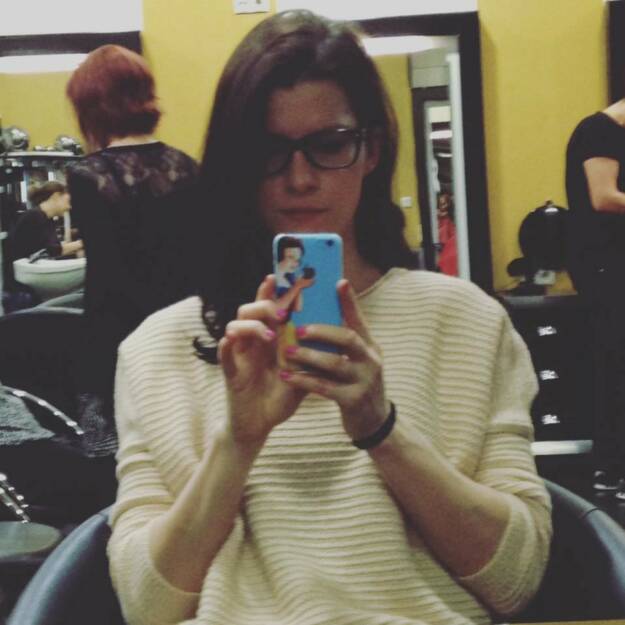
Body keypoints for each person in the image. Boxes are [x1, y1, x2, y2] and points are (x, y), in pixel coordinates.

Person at [108, 11, 552, 625]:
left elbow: (517, 579)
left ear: (371, 150)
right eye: (269, 151)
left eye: (330, 145)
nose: (299, 179)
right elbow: (145, 606)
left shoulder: (468, 323)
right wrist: (238, 443)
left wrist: (381, 429)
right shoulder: (156, 351)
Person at [64, 44, 199, 455]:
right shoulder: (187, 166)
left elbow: (106, 278)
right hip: (184, 333)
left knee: (123, 460)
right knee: (184, 450)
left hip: (119, 338)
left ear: (92, 106)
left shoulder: (88, 175)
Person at [566, 100, 625, 497]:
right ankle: (611, 469)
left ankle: (611, 469)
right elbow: (603, 197)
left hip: (610, 264)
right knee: (615, 364)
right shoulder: (599, 131)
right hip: (604, 266)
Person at [8, 181, 83, 261]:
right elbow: (51, 251)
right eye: (68, 201)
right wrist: (82, 243)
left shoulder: (48, 219)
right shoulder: (34, 217)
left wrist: (76, 249)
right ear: (56, 196)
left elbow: (54, 248)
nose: (69, 207)